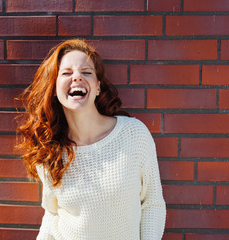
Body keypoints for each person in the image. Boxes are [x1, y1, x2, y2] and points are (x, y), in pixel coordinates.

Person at [17, 39, 166, 240]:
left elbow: (152, 204)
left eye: (86, 72)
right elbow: (52, 215)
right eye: (67, 73)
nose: (77, 77)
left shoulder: (134, 134)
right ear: (54, 89)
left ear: (97, 88)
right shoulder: (50, 151)